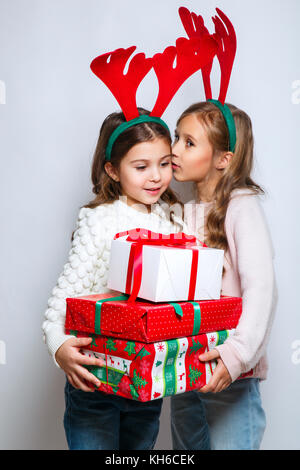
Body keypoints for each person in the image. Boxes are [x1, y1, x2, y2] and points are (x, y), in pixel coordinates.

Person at [42, 107, 185, 450]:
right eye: (141, 167)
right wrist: (59, 345)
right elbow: (64, 298)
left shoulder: (174, 222)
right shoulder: (100, 220)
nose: (156, 177)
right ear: (113, 169)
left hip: (144, 385)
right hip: (95, 379)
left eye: (164, 164)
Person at [170, 101, 278, 450]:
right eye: (176, 138)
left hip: (231, 375)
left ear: (223, 159)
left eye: (188, 142)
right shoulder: (181, 211)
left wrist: (235, 356)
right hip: (187, 374)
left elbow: (261, 290)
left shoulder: (242, 207)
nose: (173, 150)